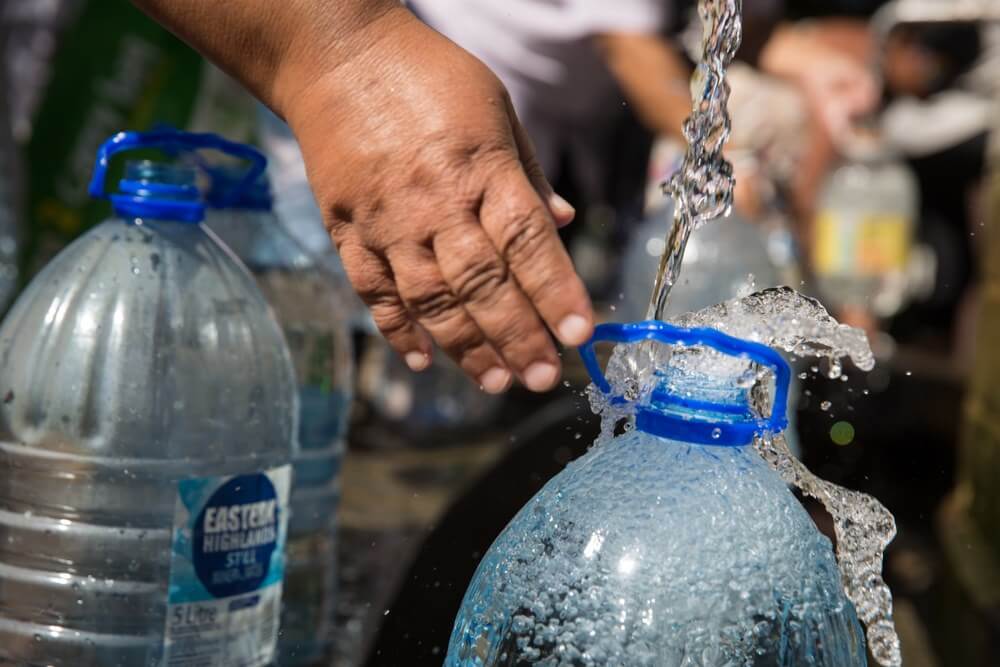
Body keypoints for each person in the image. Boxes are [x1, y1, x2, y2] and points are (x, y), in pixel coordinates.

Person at [130, 0, 876, 395]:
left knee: (461, 311)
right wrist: (341, 60)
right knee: (318, 312)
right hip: (403, 88)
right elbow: (639, 58)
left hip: (492, 106)